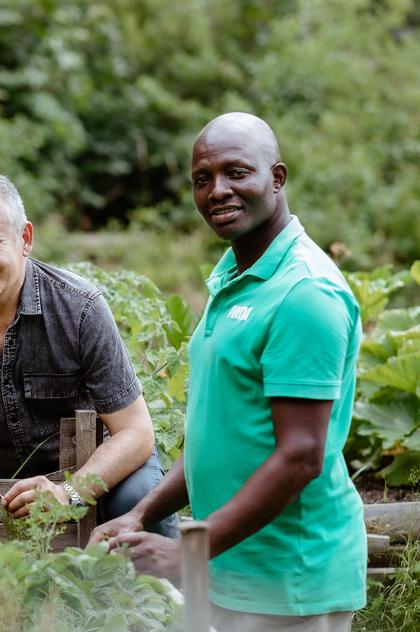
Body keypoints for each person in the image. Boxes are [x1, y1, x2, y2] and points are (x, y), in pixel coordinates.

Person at [90, 113, 366, 630]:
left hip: (289, 580)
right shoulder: (235, 274)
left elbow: (301, 456)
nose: (218, 190)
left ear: (277, 178)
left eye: (237, 173)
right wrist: (142, 513)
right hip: (227, 571)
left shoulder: (303, 294)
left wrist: (187, 554)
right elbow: (218, 435)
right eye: (202, 178)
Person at [0, 170, 175, 536]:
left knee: (138, 498)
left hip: (102, 473)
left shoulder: (80, 308)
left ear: (24, 238)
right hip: (5, 490)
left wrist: (69, 492)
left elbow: (135, 432)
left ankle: (167, 591)